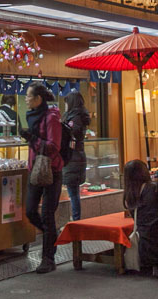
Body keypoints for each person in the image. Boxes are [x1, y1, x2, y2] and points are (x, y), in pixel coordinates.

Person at [20, 83, 64, 274]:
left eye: (29, 96)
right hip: (35, 170)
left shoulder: (51, 117)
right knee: (30, 211)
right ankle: (52, 235)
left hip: (52, 171)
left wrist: (32, 139)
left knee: (47, 214)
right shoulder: (32, 116)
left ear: (38, 99)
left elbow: (54, 146)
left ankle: (48, 258)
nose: (26, 99)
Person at [61, 91, 91, 221]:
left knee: (73, 193)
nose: (65, 106)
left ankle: (76, 221)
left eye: (67, 103)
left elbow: (72, 134)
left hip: (72, 158)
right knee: (73, 192)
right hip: (77, 157)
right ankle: (75, 220)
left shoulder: (74, 118)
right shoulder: (79, 116)